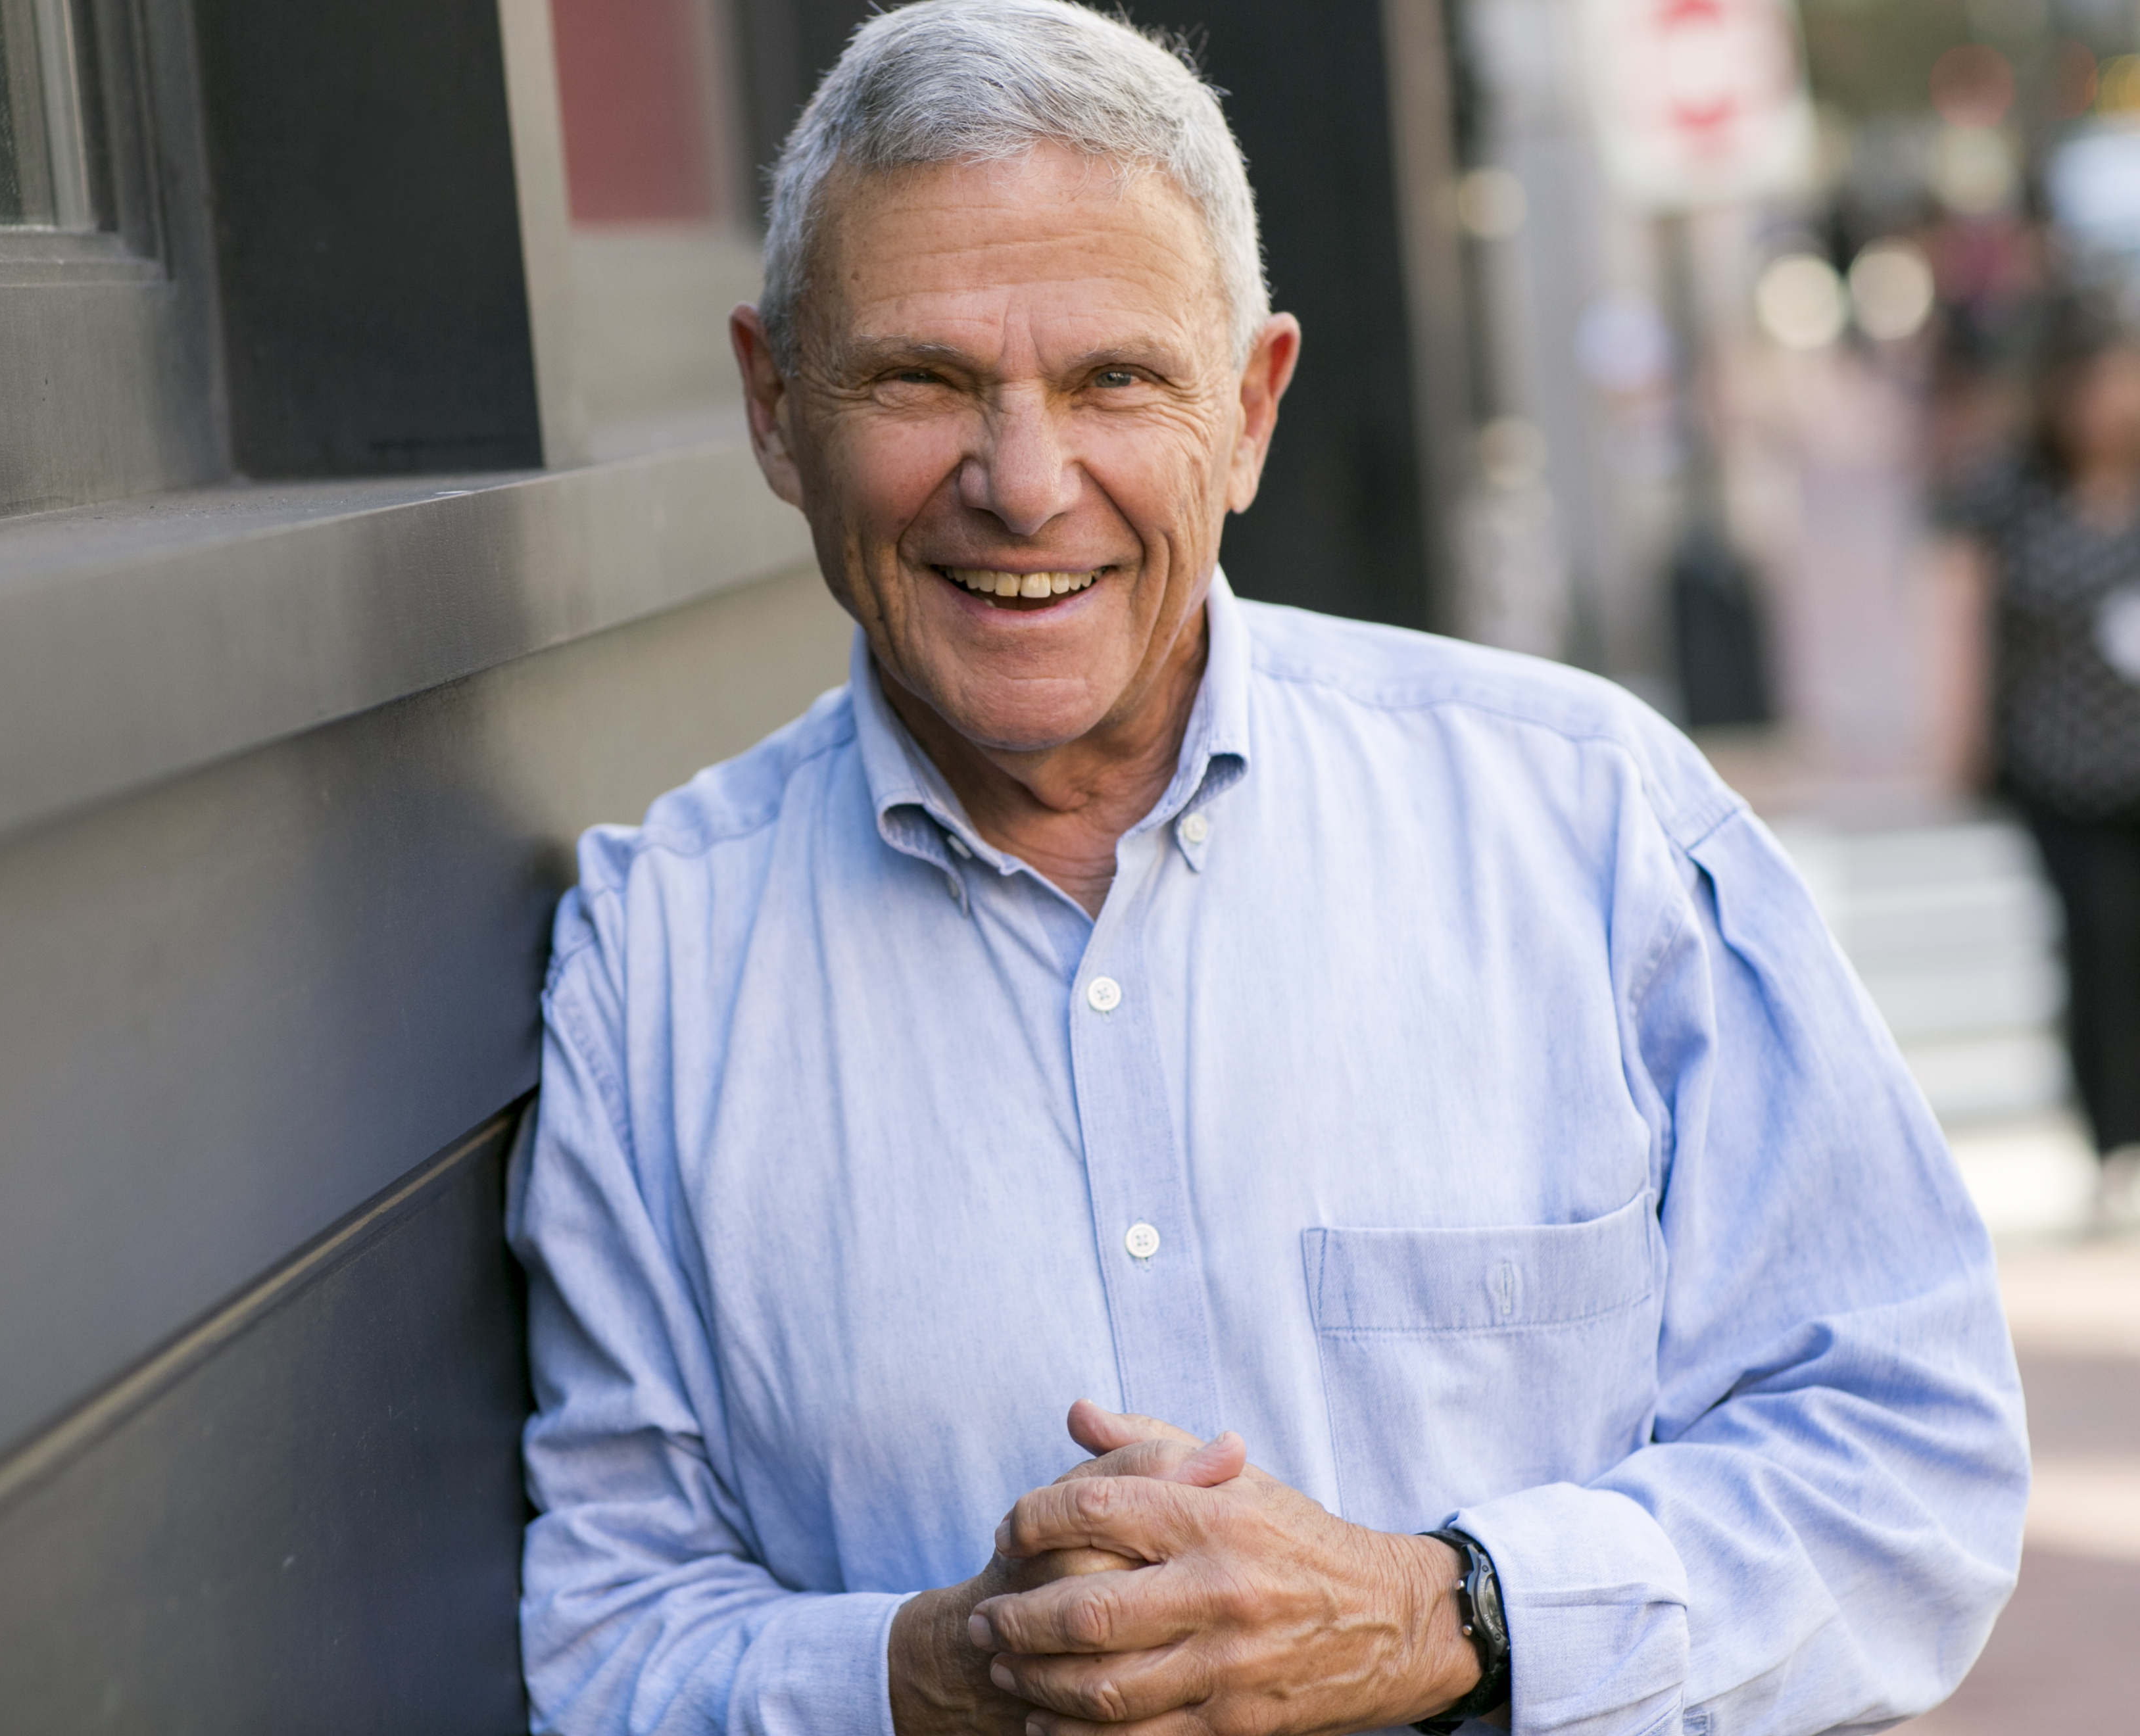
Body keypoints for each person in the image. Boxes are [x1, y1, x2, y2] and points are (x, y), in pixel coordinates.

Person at [508, 4, 2028, 1732]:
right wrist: (932, 1676)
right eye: (921, 380)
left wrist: (1443, 1611)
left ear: (1248, 408)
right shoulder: (657, 964)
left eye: (1115, 382)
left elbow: (1910, 1459)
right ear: (778, 411)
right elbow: (611, 1637)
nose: (1023, 482)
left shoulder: (1592, 830)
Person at [1951, 306, 2140, 1231]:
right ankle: (2113, 1141)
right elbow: (1960, 606)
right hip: (2058, 764)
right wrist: (1958, 739)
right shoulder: (2013, 495)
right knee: (2097, 942)